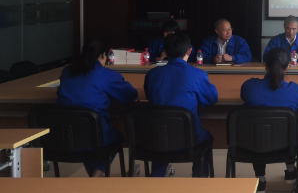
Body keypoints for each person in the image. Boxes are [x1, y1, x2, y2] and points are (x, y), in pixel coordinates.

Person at [57, 40, 138, 177]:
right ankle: (96, 175)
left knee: (90, 139)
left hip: (64, 133)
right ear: (103, 55)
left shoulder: (67, 71)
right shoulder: (106, 75)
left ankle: (94, 176)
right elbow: (129, 96)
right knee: (117, 138)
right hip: (93, 133)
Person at [144, 31, 219, 177]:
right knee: (206, 137)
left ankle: (156, 178)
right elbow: (212, 99)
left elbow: (150, 97)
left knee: (161, 129)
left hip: (157, 137)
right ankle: (198, 179)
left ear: (165, 52)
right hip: (189, 138)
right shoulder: (197, 74)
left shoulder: (152, 74)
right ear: (189, 51)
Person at [240, 48, 298, 193]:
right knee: (289, 122)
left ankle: (260, 180)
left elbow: (244, 95)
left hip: (252, 146)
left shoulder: (250, 87)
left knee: (259, 127)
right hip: (284, 147)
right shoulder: (295, 90)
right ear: (287, 67)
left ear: (265, 65)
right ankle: (290, 169)